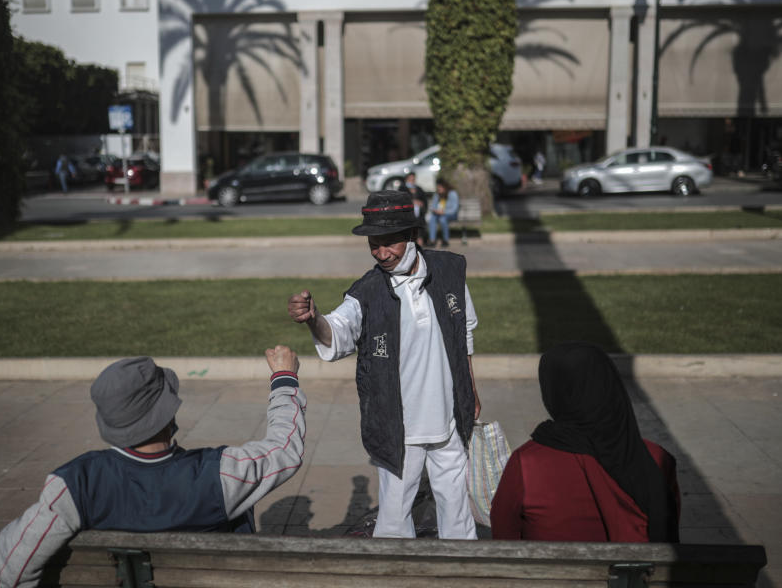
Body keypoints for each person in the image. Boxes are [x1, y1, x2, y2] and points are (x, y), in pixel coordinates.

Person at [0, 346, 307, 588]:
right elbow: (284, 449)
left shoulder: (75, 484)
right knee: (240, 508)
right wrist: (283, 378)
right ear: (168, 413)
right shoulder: (220, 474)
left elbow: (14, 559)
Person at [287, 190, 480, 540]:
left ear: (411, 237)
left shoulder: (450, 270)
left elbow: (464, 328)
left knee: (457, 510)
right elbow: (338, 331)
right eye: (374, 245)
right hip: (397, 426)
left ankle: (460, 571)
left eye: (389, 243)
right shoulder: (367, 292)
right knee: (394, 517)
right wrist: (314, 320)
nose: (381, 253)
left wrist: (471, 388)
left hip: (449, 417)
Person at [490, 341, 680, 543]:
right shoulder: (657, 459)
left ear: (553, 392)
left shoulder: (526, 463)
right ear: (610, 386)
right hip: (636, 574)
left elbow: (504, 537)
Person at [427, 178, 459, 247]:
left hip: (450, 214)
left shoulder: (452, 194)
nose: (438, 189)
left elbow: (454, 209)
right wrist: (435, 210)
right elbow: (433, 206)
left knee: (442, 219)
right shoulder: (437, 195)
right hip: (439, 214)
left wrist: (444, 212)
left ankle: (445, 240)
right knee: (432, 219)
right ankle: (432, 240)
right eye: (438, 188)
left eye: (440, 188)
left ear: (445, 187)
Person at [404, 171, 428, 246]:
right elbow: (401, 201)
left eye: (413, 180)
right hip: (407, 214)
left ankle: (420, 241)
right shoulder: (402, 188)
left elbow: (425, 201)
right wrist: (412, 202)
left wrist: (421, 203)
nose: (412, 181)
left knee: (419, 222)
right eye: (410, 179)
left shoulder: (419, 189)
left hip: (419, 214)